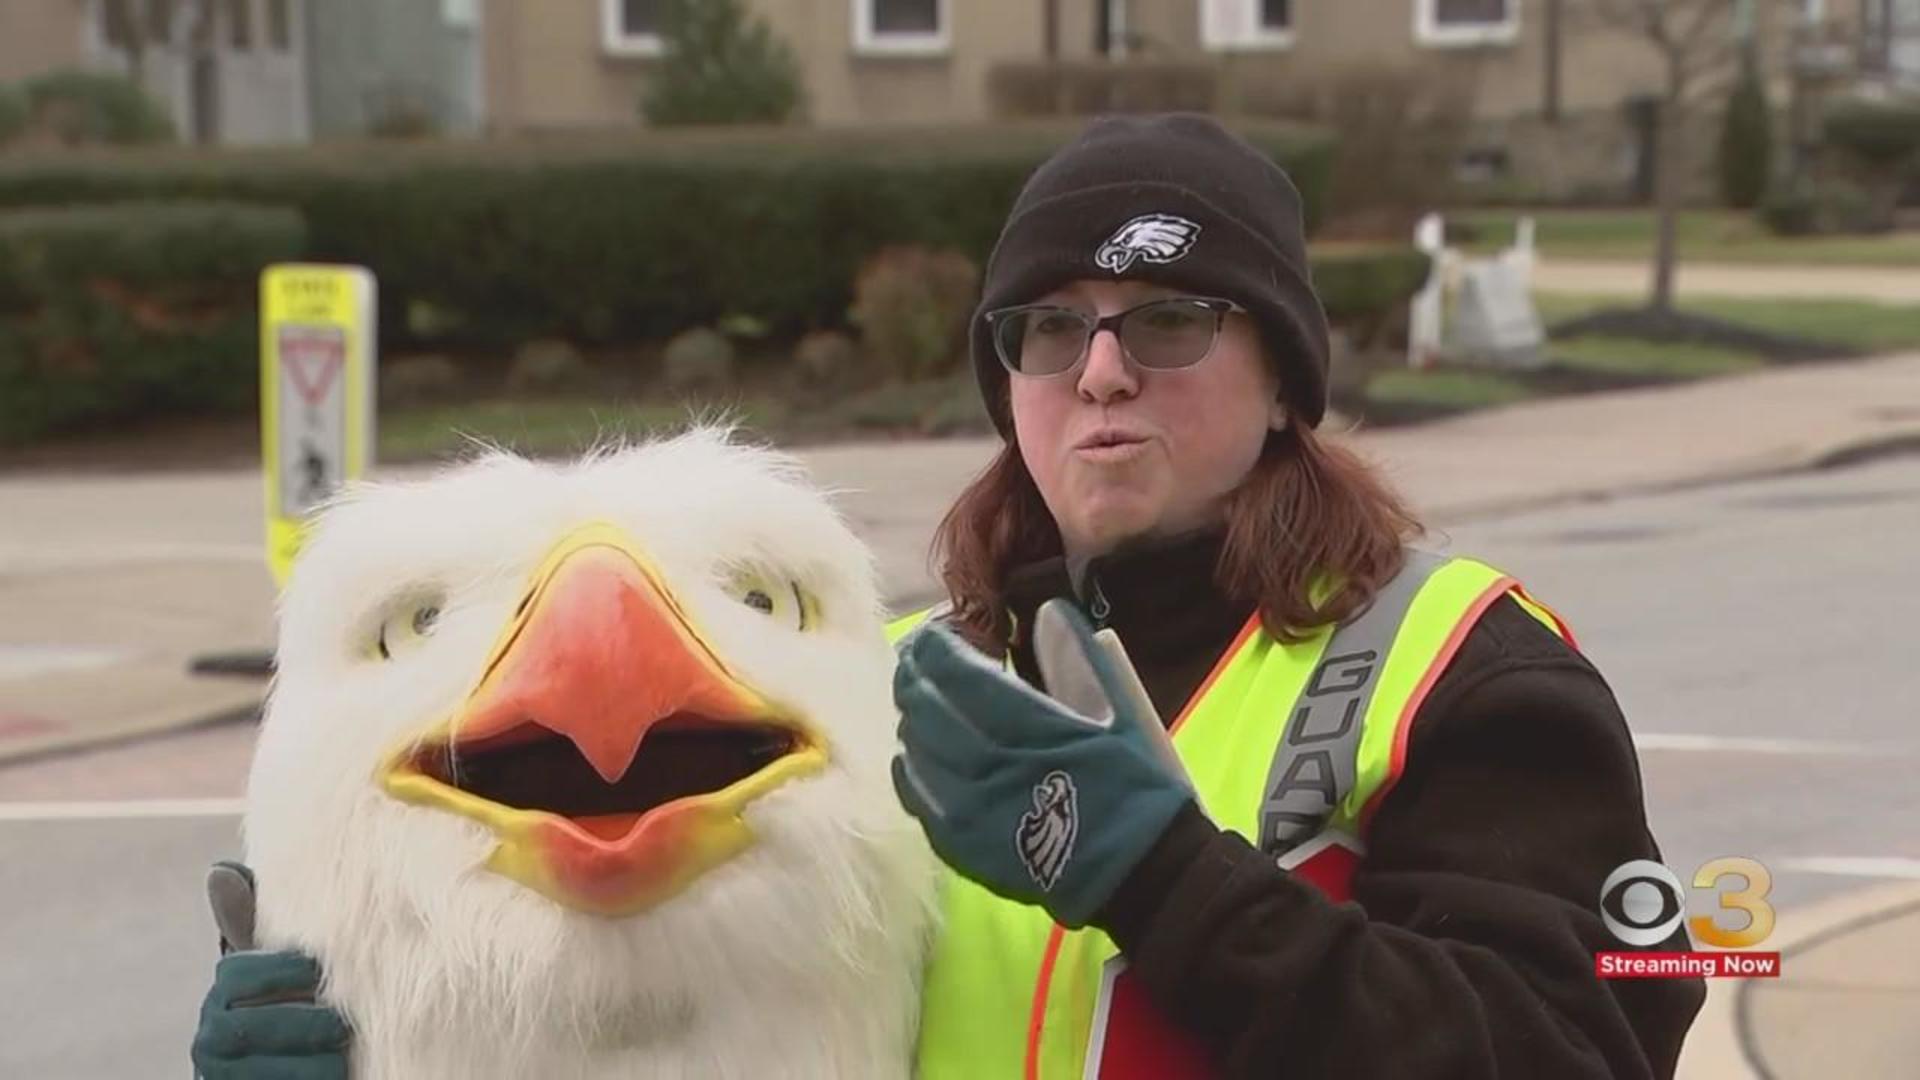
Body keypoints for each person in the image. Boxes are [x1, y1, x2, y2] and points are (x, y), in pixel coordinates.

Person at [192, 113, 1704, 1079]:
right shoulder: (889, 687)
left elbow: (1586, 1052)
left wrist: (1168, 883)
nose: (1102, 371)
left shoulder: (1461, 669)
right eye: (1048, 332)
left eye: (1167, 320)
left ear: (1286, 377)